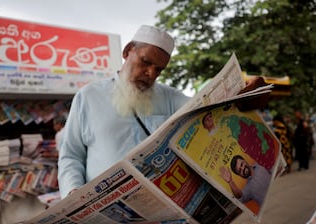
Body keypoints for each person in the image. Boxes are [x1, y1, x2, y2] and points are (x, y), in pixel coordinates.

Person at [58, 25, 269, 198]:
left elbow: (206, 107)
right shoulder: (88, 96)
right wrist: (73, 191)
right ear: (127, 51)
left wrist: (243, 95)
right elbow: (71, 155)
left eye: (159, 69)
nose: (150, 73)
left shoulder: (169, 97)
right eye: (146, 62)